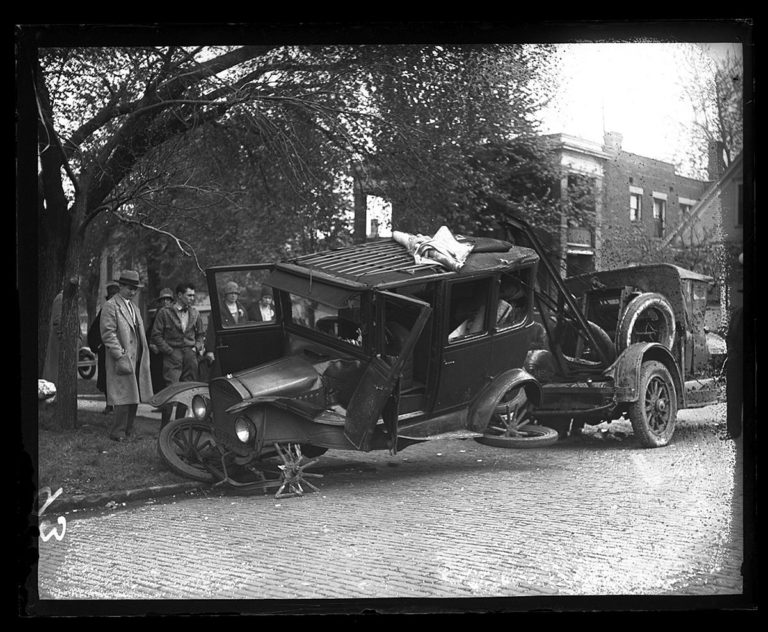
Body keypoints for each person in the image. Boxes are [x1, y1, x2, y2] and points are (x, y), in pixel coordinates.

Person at [99, 270, 153, 441]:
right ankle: (118, 431)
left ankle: (128, 430)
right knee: (122, 396)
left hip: (136, 358)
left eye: (135, 288)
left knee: (134, 396)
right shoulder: (111, 306)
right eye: (129, 288)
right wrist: (119, 354)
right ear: (120, 286)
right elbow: (108, 333)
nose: (132, 291)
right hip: (122, 358)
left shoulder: (134, 308)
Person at [151, 282, 206, 422]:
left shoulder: (195, 313)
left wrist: (196, 348)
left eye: (193, 295)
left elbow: (201, 334)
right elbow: (156, 335)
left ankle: (178, 427)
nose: (192, 298)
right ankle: (165, 429)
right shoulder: (165, 313)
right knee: (170, 392)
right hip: (172, 356)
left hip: (190, 356)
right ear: (180, 295)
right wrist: (168, 350)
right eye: (189, 295)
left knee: (187, 392)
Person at [202, 281, 249, 378]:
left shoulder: (242, 309)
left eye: (235, 293)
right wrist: (210, 350)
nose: (233, 296)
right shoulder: (218, 309)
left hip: (239, 347)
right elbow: (211, 330)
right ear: (226, 295)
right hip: (223, 347)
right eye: (230, 293)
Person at [87, 281, 120, 413]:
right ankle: (109, 404)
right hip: (106, 351)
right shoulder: (104, 310)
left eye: (115, 295)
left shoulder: (125, 311)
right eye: (111, 296)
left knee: (119, 378)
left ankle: (118, 405)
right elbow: (94, 330)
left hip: (120, 350)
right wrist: (98, 346)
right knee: (107, 378)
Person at [146, 287, 175, 394]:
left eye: (168, 300)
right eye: (163, 300)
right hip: (157, 353)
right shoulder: (156, 315)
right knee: (158, 378)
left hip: (169, 351)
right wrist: (151, 344)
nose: (165, 302)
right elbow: (150, 333)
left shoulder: (175, 315)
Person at [42, 291, 63, 384]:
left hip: (64, 347)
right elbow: (57, 322)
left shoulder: (69, 299)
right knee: (55, 376)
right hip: (59, 344)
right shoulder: (61, 298)